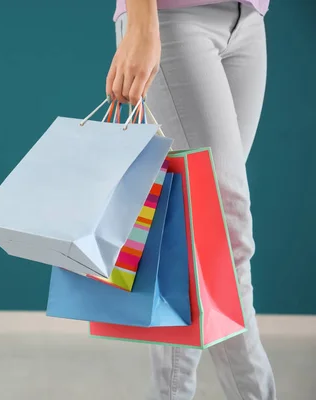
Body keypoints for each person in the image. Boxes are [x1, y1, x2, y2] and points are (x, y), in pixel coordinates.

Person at [105, 1, 277, 399]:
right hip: (171, 17)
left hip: (249, 19)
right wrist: (143, 26)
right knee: (225, 236)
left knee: (192, 239)